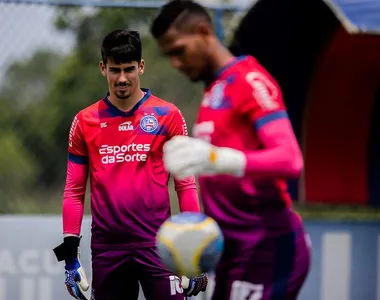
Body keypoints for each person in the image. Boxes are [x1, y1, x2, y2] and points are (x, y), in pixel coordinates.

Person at [150, 1, 311, 299]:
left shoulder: (249, 80)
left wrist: (216, 158)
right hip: (232, 252)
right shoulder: (215, 88)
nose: (175, 63)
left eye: (178, 50)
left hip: (267, 248)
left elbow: (290, 159)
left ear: (203, 32)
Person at [52, 29, 208, 300]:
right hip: (107, 251)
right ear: (103, 68)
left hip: (160, 247)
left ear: (141, 67)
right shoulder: (84, 121)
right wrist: (70, 258)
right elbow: (74, 191)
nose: (122, 78)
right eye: (114, 70)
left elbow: (185, 184)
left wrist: (192, 249)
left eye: (129, 69)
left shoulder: (168, 115)